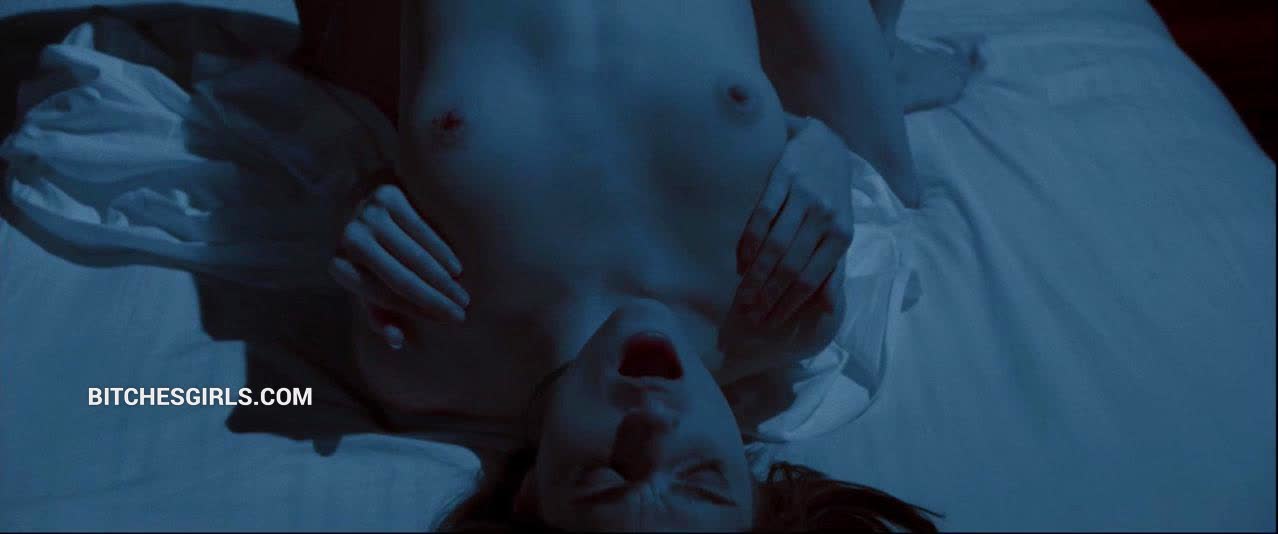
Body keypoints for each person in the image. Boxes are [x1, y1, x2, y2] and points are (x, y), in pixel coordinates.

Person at [292, 1, 969, 530]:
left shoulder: (422, 352)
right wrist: (831, 151)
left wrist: (359, 197)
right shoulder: (787, 310)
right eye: (702, 476)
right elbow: (886, 196)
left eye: (607, 478)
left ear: (531, 496)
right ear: (754, 484)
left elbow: (346, 92)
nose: (654, 424)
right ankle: (885, 50)